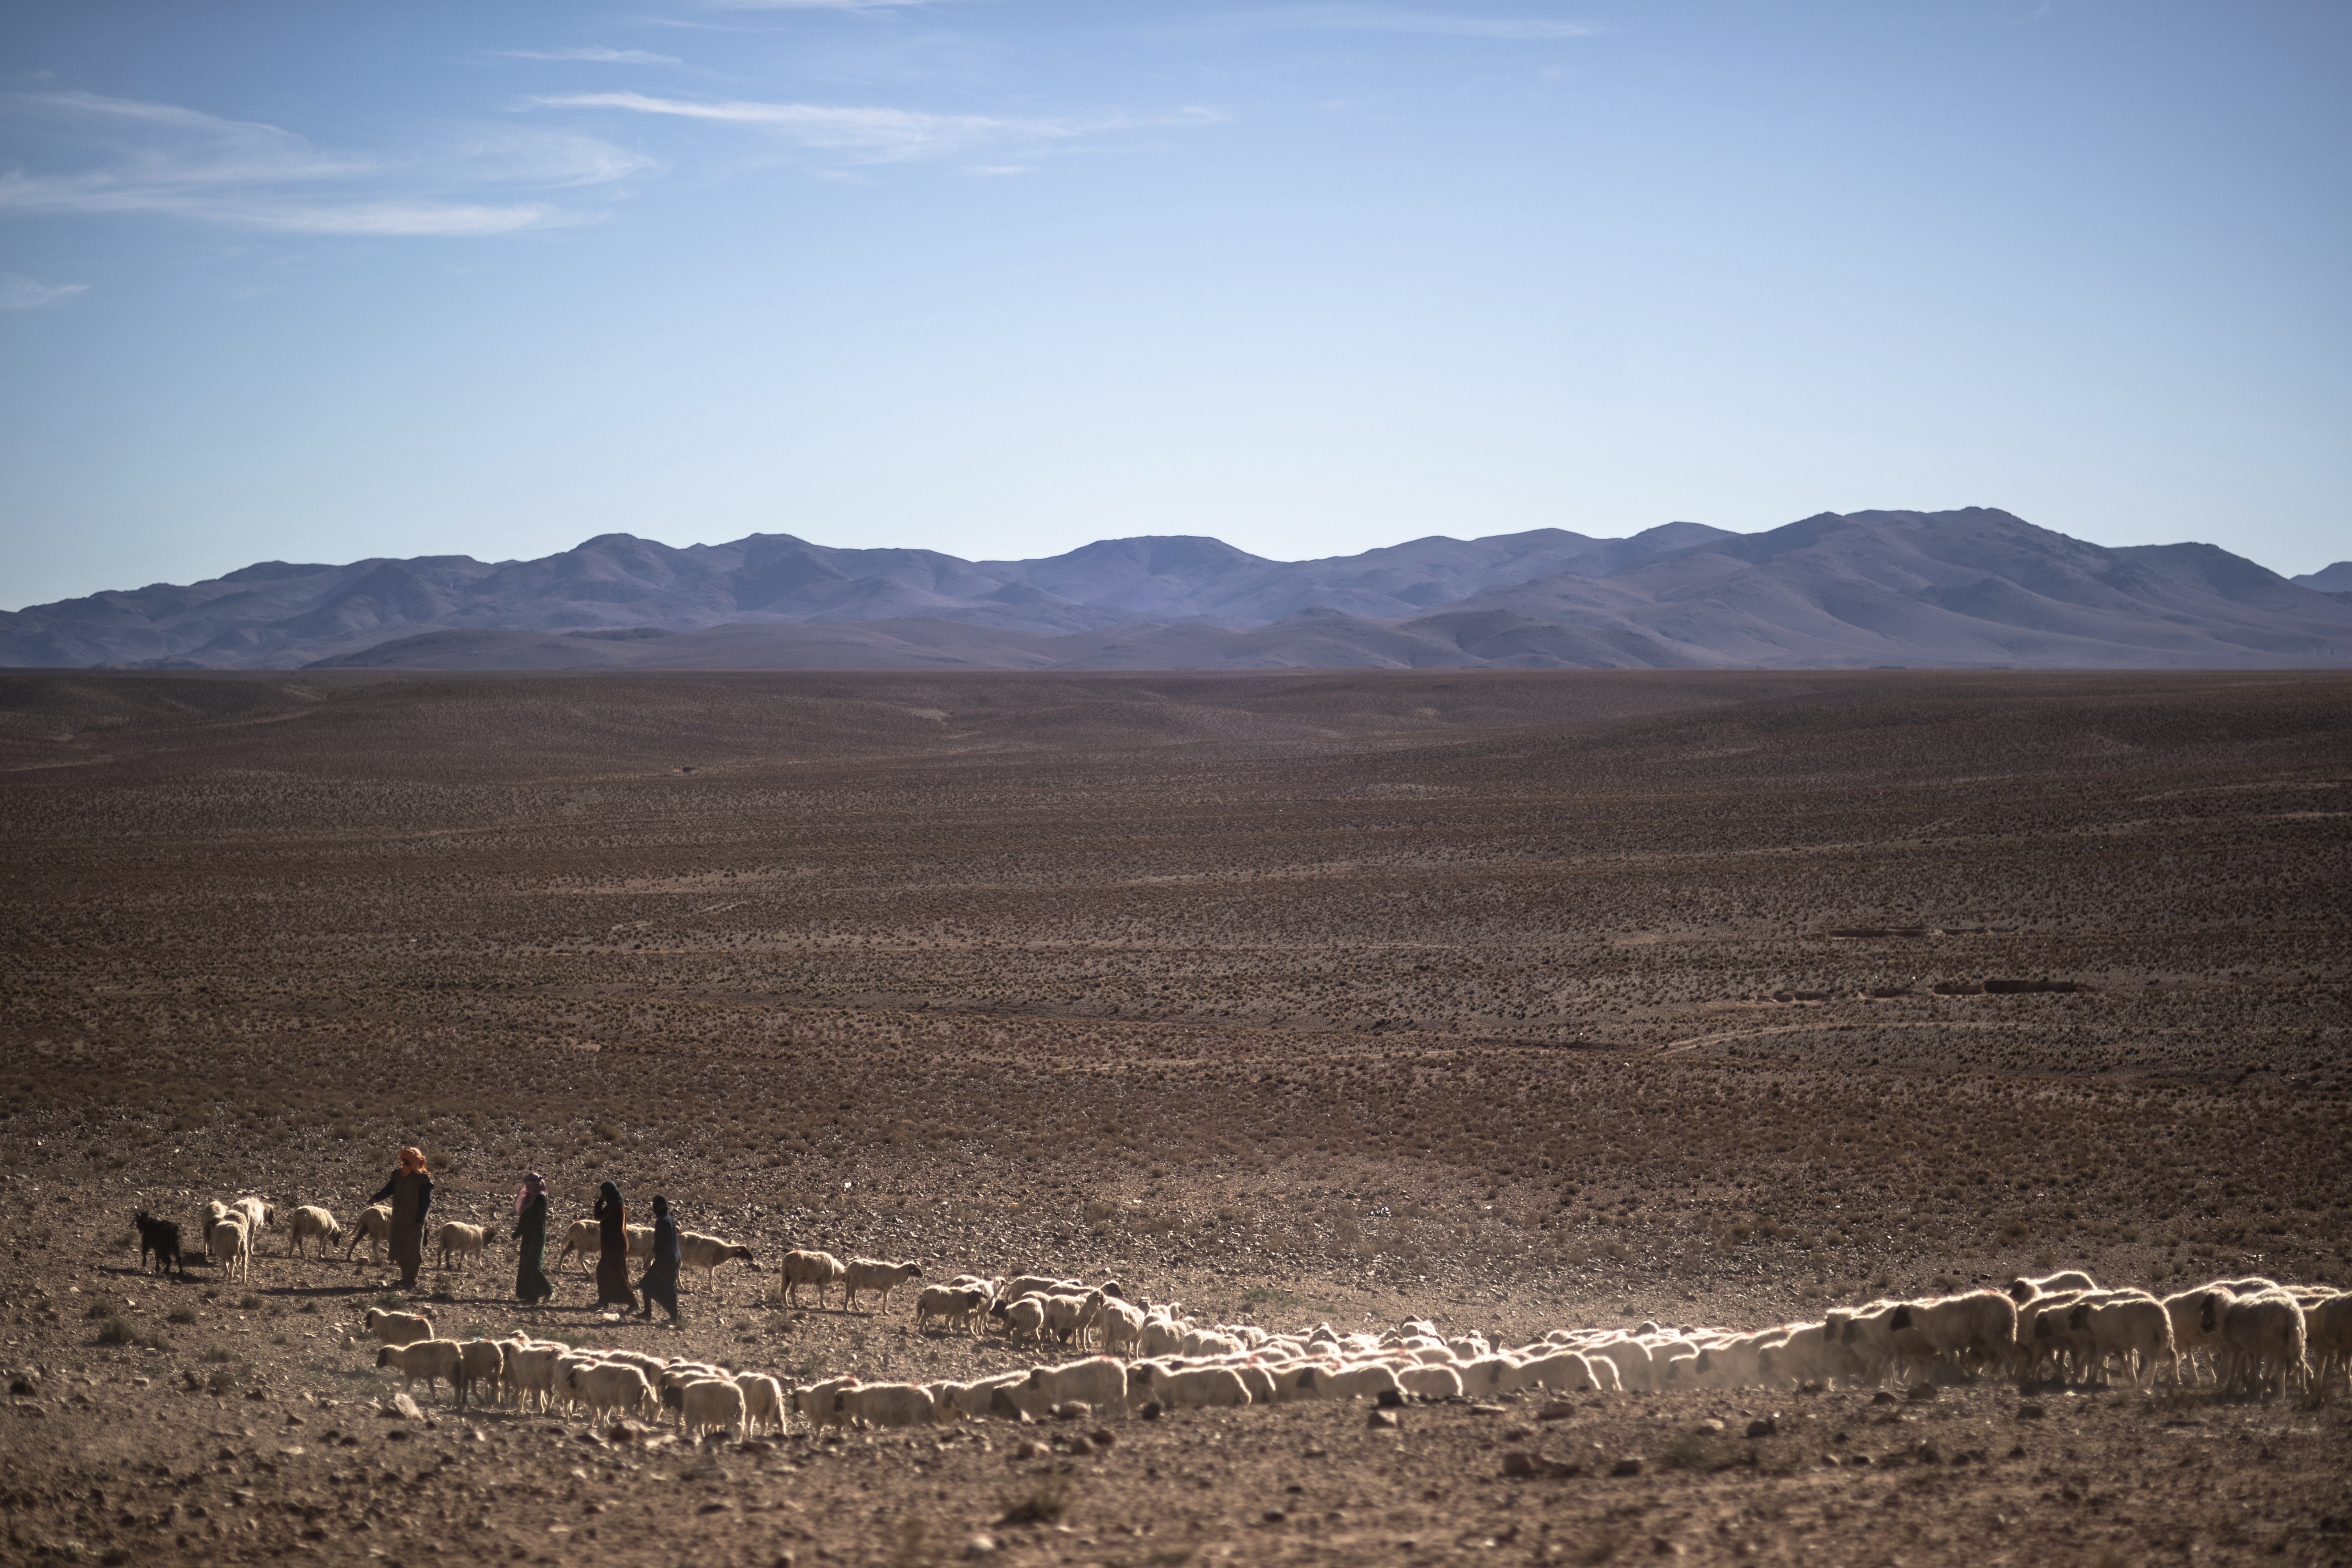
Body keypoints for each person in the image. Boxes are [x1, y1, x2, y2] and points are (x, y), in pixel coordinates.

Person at [368, 1146, 433, 1292]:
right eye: (403, 1161)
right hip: (399, 1218)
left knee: (413, 1250)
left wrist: (420, 1219)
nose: (404, 1164)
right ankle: (405, 1278)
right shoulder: (399, 1175)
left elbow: (426, 1201)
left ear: (416, 1161)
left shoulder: (424, 1179)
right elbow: (388, 1190)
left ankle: (412, 1280)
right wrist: (376, 1198)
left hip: (415, 1221)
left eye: (408, 1162)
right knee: (399, 1247)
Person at [592, 1180, 637, 1311]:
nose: (603, 1196)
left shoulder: (614, 1206)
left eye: (604, 1194)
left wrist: (600, 1201)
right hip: (613, 1245)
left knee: (618, 1274)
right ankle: (604, 1301)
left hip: (616, 1246)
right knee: (604, 1271)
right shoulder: (618, 1205)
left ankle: (633, 1303)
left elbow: (598, 1216)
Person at [638, 1195, 682, 1327]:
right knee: (670, 1286)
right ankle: (675, 1316)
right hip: (676, 1258)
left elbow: (657, 1247)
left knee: (646, 1284)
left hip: (665, 1260)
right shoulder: (670, 1219)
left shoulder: (661, 1222)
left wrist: (647, 1263)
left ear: (656, 1208)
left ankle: (650, 1313)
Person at [511, 1171, 553, 1306]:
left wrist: (523, 1229)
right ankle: (532, 1297)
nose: (527, 1188)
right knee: (526, 1265)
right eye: (526, 1186)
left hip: (537, 1235)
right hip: (528, 1235)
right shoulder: (531, 1197)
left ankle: (549, 1291)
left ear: (536, 1185)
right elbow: (525, 1216)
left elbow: (538, 1218)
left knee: (534, 1266)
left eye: (530, 1186)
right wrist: (518, 1231)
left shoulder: (541, 1198)